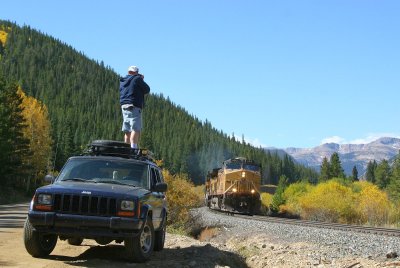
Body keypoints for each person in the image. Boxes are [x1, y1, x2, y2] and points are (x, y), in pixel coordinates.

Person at [119, 65, 150, 149]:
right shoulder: (137, 79)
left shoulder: (122, 80)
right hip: (134, 106)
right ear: (136, 72)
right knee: (135, 129)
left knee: (127, 129)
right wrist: (141, 78)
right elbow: (147, 89)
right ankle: (133, 149)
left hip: (124, 105)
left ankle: (126, 148)